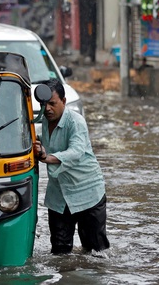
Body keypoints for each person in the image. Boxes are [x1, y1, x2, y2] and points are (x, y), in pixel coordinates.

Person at [33, 79, 110, 255]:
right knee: (60, 251)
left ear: (64, 102)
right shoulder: (45, 121)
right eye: (45, 104)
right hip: (59, 195)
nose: (48, 109)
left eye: (53, 104)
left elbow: (76, 151)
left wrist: (47, 157)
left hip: (86, 192)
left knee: (96, 250)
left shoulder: (76, 122)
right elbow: (45, 143)